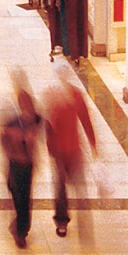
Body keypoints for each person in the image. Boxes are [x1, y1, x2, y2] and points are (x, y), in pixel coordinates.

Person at [36, 62, 97, 238]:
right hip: (59, 151)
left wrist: (93, 143)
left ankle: (82, 218)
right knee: (61, 187)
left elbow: (85, 119)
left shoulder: (76, 96)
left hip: (73, 149)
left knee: (79, 185)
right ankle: (62, 221)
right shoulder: (51, 95)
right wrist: (49, 146)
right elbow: (47, 124)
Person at [0, 87, 42, 247]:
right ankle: (19, 228)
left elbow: (40, 128)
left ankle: (21, 232)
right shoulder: (13, 123)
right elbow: (3, 138)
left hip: (27, 165)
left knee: (25, 199)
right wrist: (11, 151)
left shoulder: (35, 120)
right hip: (16, 164)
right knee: (18, 197)